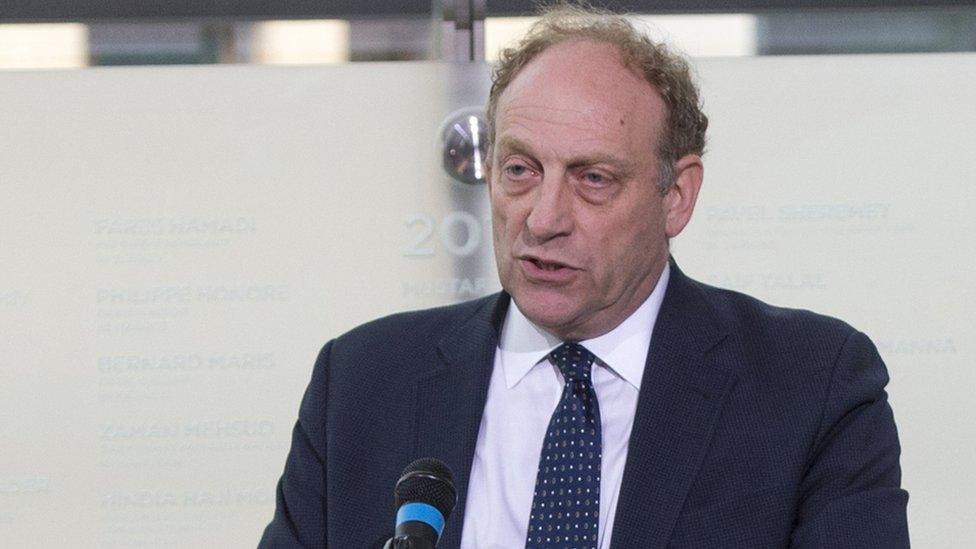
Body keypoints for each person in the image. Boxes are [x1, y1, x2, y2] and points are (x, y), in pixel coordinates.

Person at [260, 5, 909, 548]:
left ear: (677, 195)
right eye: (519, 170)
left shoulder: (810, 383)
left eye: (592, 179)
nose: (542, 219)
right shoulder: (361, 383)